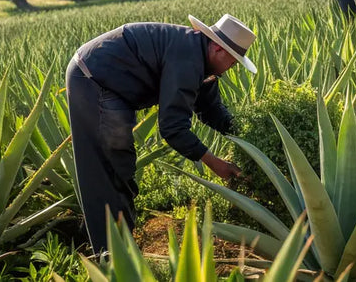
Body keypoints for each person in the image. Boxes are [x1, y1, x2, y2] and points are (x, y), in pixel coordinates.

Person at [65, 13, 257, 254]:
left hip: (110, 85)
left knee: (121, 168)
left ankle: (116, 247)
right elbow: (172, 127)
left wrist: (250, 136)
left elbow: (212, 110)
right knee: (109, 167)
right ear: (218, 49)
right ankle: (110, 256)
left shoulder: (201, 60)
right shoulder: (187, 58)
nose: (232, 68)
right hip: (93, 78)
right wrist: (215, 163)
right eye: (233, 62)